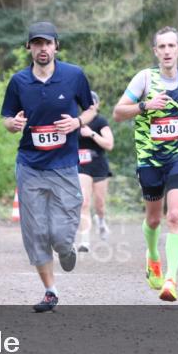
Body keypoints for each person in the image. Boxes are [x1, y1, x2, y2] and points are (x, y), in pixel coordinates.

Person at [1, 21, 96, 312]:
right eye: (37, 43)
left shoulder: (73, 76)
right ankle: (50, 291)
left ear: (56, 46)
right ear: (29, 47)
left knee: (60, 232)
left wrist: (77, 122)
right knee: (35, 230)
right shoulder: (19, 82)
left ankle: (66, 249)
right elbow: (7, 118)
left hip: (65, 165)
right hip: (30, 165)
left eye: (48, 43)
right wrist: (13, 124)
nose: (43, 49)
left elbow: (92, 108)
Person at [112, 26, 178, 302]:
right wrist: (145, 106)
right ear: (155, 52)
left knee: (175, 217)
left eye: (171, 46)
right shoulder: (144, 79)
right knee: (154, 219)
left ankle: (171, 279)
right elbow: (118, 113)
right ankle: (153, 256)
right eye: (162, 47)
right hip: (150, 158)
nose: (167, 51)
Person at [75, 91, 114, 252]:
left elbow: (109, 144)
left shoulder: (100, 122)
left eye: (92, 103)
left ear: (97, 105)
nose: (89, 105)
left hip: (98, 165)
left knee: (100, 205)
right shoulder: (75, 121)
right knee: (84, 202)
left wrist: (91, 134)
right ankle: (85, 241)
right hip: (81, 166)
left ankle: (102, 221)